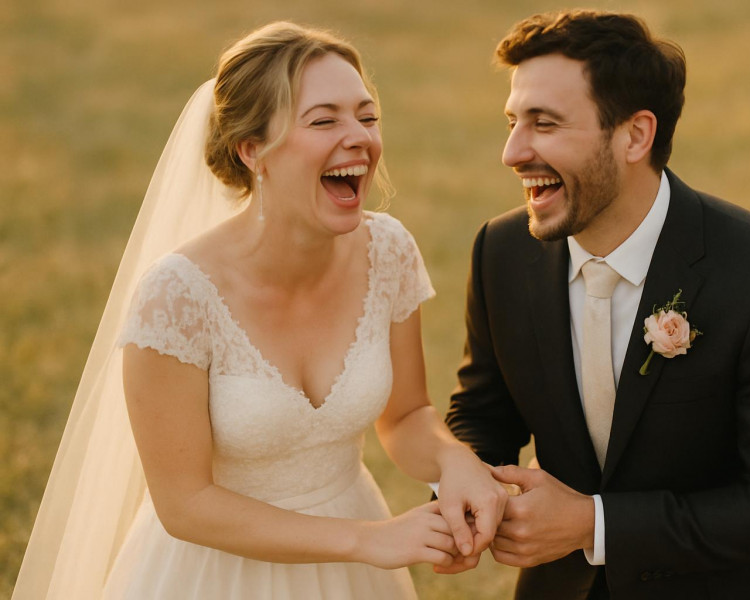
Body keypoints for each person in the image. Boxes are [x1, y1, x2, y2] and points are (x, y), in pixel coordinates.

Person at [13, 21, 506, 600]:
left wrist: (456, 462)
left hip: (352, 573)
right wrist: (366, 539)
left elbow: (404, 417)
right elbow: (185, 503)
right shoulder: (177, 296)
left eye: (367, 117)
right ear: (253, 151)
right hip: (210, 573)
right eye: (324, 120)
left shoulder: (388, 251)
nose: (359, 138)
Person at [445, 10, 750, 599]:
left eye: (544, 124)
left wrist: (592, 523)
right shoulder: (502, 252)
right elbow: (484, 415)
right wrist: (459, 487)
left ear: (635, 135)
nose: (511, 151)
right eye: (512, 121)